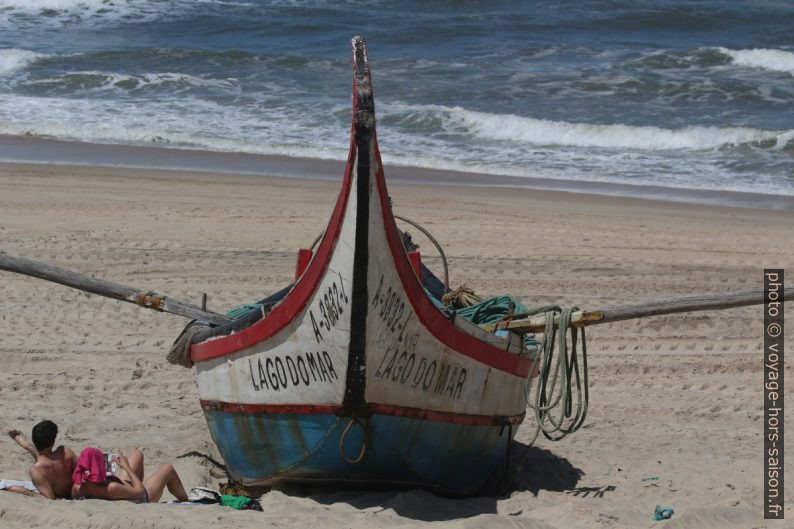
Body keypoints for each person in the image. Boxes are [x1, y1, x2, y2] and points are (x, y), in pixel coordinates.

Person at [71, 447, 189, 503]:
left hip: (123, 489)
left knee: (137, 454)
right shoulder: (112, 488)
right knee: (168, 468)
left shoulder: (78, 487)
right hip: (142, 497)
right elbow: (141, 491)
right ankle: (185, 499)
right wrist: (126, 467)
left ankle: (136, 481)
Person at [7, 420, 77, 499]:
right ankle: (18, 436)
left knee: (38, 454)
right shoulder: (66, 451)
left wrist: (23, 491)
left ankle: (18, 436)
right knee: (35, 451)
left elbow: (49, 498)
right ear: (53, 442)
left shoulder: (36, 470)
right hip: (73, 492)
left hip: (61, 494)